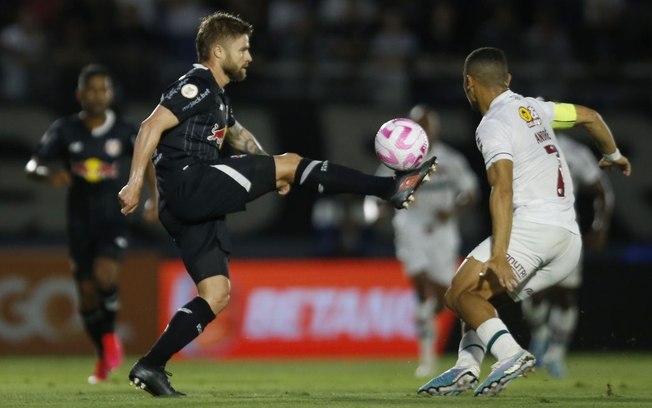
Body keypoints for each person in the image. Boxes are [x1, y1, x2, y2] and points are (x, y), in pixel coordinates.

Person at [117, 11, 437, 397]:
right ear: (218, 51)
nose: (250, 56)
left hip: (185, 202)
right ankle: (389, 188)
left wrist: (274, 169)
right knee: (293, 163)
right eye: (243, 49)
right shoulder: (195, 83)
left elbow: (238, 136)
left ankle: (151, 366)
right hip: (191, 182)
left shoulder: (216, 96)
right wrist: (135, 185)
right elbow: (150, 127)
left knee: (216, 295)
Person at [417, 47, 631, 397]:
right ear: (509, 80)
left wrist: (499, 254)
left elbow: (501, 187)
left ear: (469, 85)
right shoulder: (538, 108)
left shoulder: (493, 124)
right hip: (567, 242)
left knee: (457, 294)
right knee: (480, 297)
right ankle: (465, 368)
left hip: (534, 228)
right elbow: (591, 116)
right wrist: (613, 154)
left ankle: (510, 353)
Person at [25, 64, 158, 384]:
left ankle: (110, 339)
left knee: (104, 274)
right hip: (79, 220)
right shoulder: (65, 129)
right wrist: (47, 173)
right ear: (80, 94)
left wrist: (153, 197)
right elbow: (34, 164)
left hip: (113, 217)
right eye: (92, 89)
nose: (98, 95)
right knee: (86, 295)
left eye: (103, 89)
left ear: (111, 95)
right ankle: (102, 353)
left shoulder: (124, 131)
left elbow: (149, 159)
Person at [364, 104, 479, 378]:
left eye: (428, 124)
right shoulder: (398, 159)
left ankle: (426, 316)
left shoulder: (451, 159)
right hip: (410, 228)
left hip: (442, 231)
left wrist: (452, 211)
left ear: (435, 128)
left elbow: (471, 192)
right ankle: (426, 360)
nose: (425, 129)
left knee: (440, 299)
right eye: (420, 125)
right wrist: (376, 212)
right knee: (419, 281)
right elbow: (373, 194)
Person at [521, 132, 614, 378]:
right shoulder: (522, 147)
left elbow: (601, 191)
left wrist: (599, 227)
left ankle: (556, 354)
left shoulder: (575, 152)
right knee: (534, 292)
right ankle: (540, 334)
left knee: (565, 295)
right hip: (531, 230)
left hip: (566, 232)